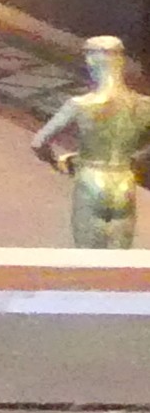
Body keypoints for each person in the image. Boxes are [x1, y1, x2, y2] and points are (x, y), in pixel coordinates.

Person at [32, 36, 150, 252]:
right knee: (119, 262)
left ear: (91, 61)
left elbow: (39, 142)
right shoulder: (144, 105)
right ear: (122, 62)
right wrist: (135, 159)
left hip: (91, 178)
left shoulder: (80, 105)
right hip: (124, 180)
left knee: (89, 260)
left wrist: (56, 162)